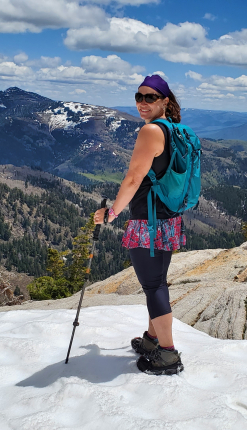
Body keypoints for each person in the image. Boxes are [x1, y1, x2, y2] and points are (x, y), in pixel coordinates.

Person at [93, 74, 185, 376]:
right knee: (157, 282)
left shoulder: (150, 131)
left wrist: (111, 213)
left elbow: (134, 178)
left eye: (150, 97)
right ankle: (152, 340)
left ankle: (168, 354)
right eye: (139, 96)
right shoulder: (175, 129)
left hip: (149, 222)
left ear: (164, 101)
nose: (142, 103)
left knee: (153, 285)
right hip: (169, 220)